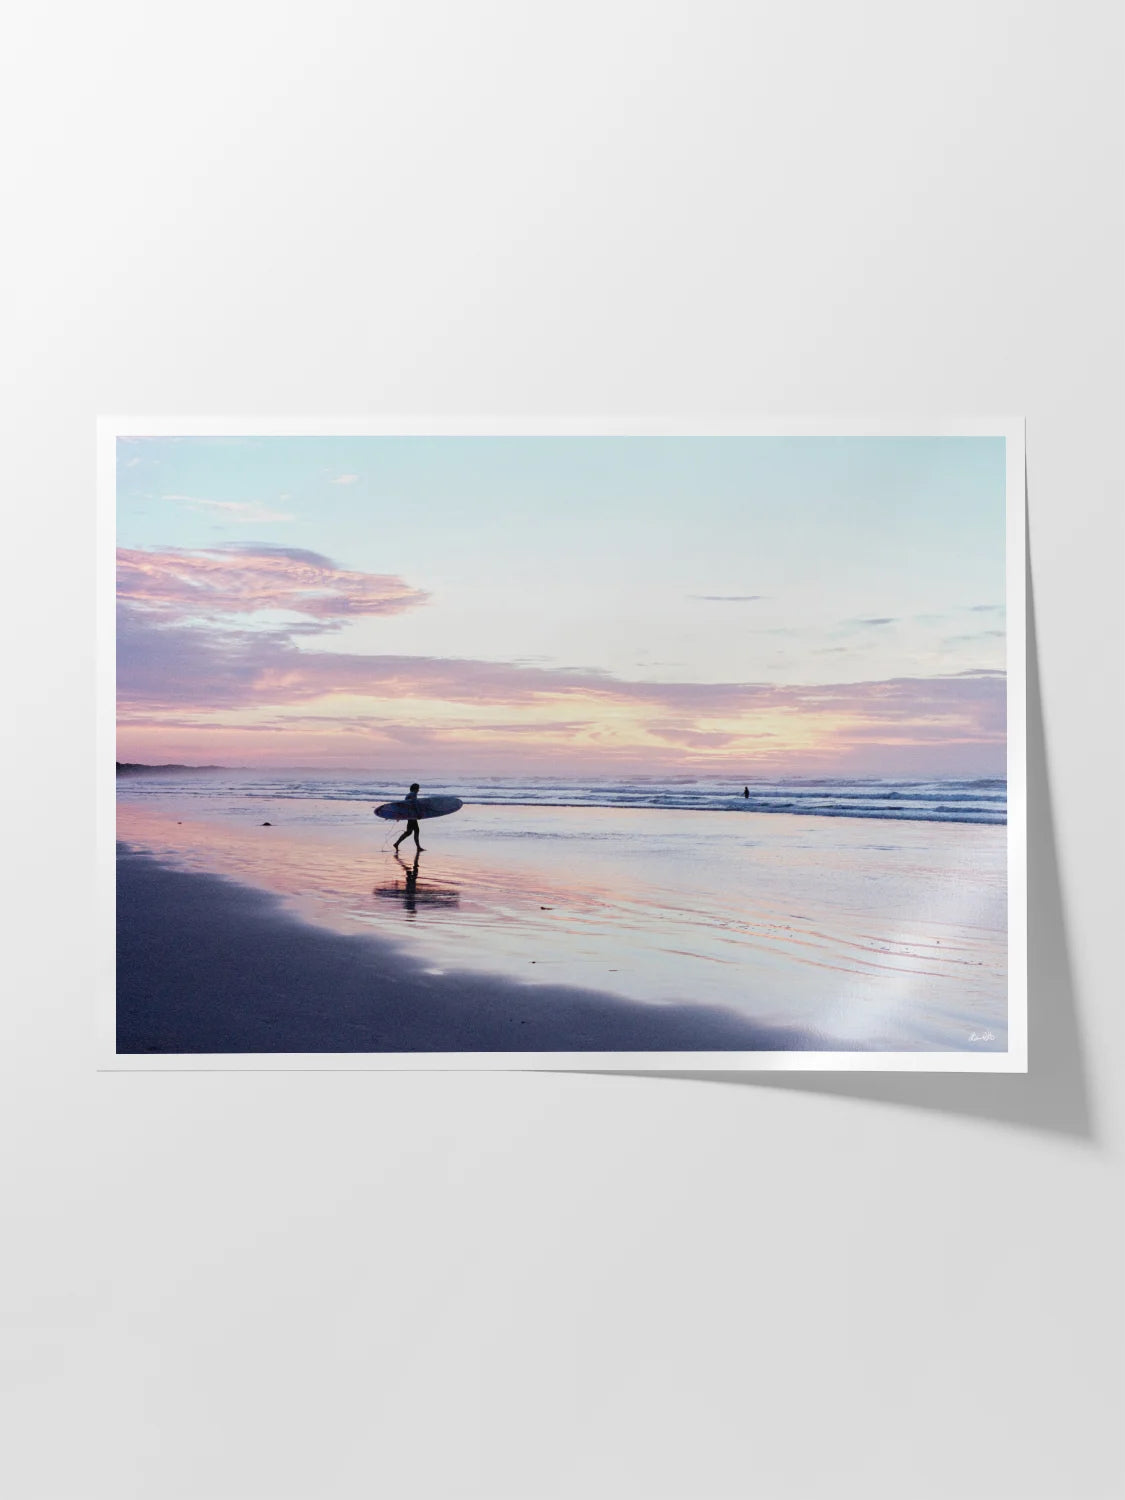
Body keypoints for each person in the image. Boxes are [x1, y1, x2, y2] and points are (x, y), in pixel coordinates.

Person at [393, 783, 425, 854]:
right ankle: (418, 847)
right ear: (415, 789)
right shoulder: (413, 794)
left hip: (409, 815)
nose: (418, 790)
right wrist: (418, 813)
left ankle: (397, 843)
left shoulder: (409, 794)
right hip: (412, 816)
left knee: (409, 832)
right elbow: (415, 804)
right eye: (418, 788)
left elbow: (407, 805)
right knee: (416, 830)